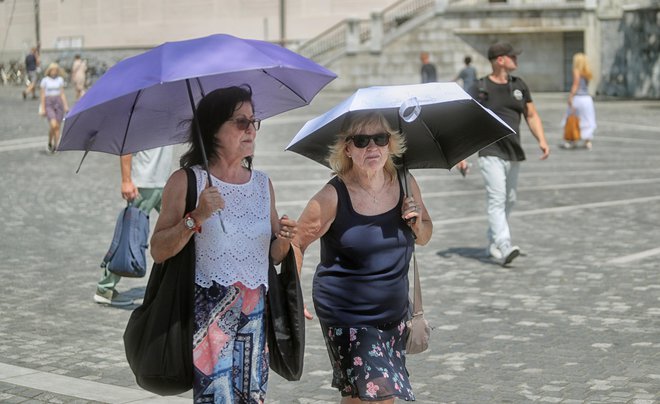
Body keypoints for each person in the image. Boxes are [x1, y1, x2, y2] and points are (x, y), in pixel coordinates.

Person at [150, 86, 296, 403]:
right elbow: (158, 249)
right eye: (240, 122)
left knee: (252, 398)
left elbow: (272, 256)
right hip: (209, 316)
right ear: (213, 129)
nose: (250, 129)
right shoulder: (187, 181)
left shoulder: (261, 184)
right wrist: (196, 216)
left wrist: (284, 240)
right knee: (217, 398)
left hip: (256, 314)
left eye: (253, 121)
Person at [292, 111, 433, 403]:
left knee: (361, 396)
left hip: (393, 314)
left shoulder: (405, 183)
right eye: (361, 140)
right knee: (380, 393)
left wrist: (416, 222)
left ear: (390, 143)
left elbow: (426, 235)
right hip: (347, 315)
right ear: (347, 148)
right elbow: (297, 242)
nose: (372, 147)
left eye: (380, 138)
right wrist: (293, 297)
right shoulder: (332, 196)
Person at [458, 42, 550, 266]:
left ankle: (493, 241)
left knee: (510, 199)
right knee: (497, 198)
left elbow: (531, 114)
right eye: (513, 57)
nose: (516, 60)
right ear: (500, 60)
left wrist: (542, 140)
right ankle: (504, 243)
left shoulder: (519, 85)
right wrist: (461, 154)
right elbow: (464, 120)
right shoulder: (480, 87)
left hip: (513, 151)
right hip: (490, 151)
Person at [93, 146, 174, 306]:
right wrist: (126, 181)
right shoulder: (140, 120)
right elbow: (127, 148)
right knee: (128, 238)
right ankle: (105, 288)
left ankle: (176, 285)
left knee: (175, 232)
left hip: (164, 183)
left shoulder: (166, 120)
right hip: (144, 184)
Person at [561, 52, 596, 150]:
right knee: (587, 120)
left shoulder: (576, 71)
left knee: (572, 118)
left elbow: (575, 85)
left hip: (578, 98)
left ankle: (572, 140)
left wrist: (570, 97)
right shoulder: (587, 72)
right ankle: (588, 141)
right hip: (587, 99)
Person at [39, 63, 69, 154]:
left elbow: (62, 94)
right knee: (53, 125)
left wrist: (66, 105)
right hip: (49, 103)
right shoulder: (45, 80)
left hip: (58, 102)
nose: (54, 71)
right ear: (49, 70)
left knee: (58, 126)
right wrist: (43, 107)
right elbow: (43, 95)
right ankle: (50, 141)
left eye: (56, 70)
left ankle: (56, 145)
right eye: (52, 70)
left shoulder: (60, 80)